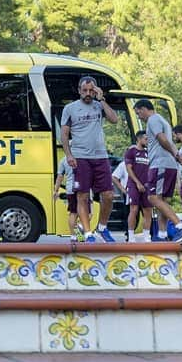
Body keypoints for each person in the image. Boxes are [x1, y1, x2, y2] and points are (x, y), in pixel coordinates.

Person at [59, 76, 119, 243]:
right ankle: (87, 233)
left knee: (108, 194)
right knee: (82, 196)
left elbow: (114, 120)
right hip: (81, 157)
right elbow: (64, 134)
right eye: (84, 90)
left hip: (100, 156)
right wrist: (69, 155)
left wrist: (102, 100)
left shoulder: (99, 106)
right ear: (79, 91)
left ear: (95, 90)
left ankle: (102, 227)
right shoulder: (70, 108)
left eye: (90, 90)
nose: (87, 93)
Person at [132, 100, 182, 242]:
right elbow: (166, 140)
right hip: (169, 165)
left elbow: (162, 139)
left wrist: (176, 154)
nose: (139, 116)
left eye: (138, 113)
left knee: (153, 198)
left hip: (159, 164)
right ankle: (162, 234)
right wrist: (176, 155)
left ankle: (180, 226)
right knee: (162, 201)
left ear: (144, 109)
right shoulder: (163, 120)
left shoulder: (153, 120)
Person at [122, 131, 151, 243]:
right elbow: (129, 169)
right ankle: (131, 235)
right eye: (145, 138)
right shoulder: (131, 151)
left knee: (147, 210)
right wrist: (137, 183)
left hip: (147, 186)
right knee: (133, 209)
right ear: (139, 139)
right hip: (134, 185)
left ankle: (146, 236)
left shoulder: (148, 153)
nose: (147, 141)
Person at [54, 154, 82, 239]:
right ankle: (78, 229)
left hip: (70, 189)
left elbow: (60, 176)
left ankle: (73, 235)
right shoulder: (83, 157)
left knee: (73, 213)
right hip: (83, 188)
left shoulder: (63, 160)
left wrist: (56, 190)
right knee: (88, 213)